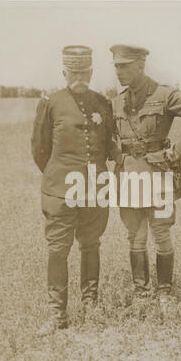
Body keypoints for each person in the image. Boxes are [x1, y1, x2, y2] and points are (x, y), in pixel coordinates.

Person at [110, 44, 181, 316]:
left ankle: (164, 292)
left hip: (158, 176)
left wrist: (175, 152)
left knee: (161, 233)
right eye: (116, 66)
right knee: (135, 236)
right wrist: (115, 155)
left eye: (125, 66)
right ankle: (141, 293)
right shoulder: (116, 101)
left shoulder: (164, 95)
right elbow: (107, 136)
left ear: (140, 66)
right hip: (129, 177)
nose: (119, 72)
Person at [31, 45, 121, 334]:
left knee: (91, 245)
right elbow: (39, 149)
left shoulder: (102, 103)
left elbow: (108, 145)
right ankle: (58, 315)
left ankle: (90, 307)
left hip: (96, 188)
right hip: (61, 191)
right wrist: (61, 178)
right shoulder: (51, 102)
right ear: (64, 72)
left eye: (84, 72)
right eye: (74, 72)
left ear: (91, 72)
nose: (79, 77)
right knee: (58, 249)